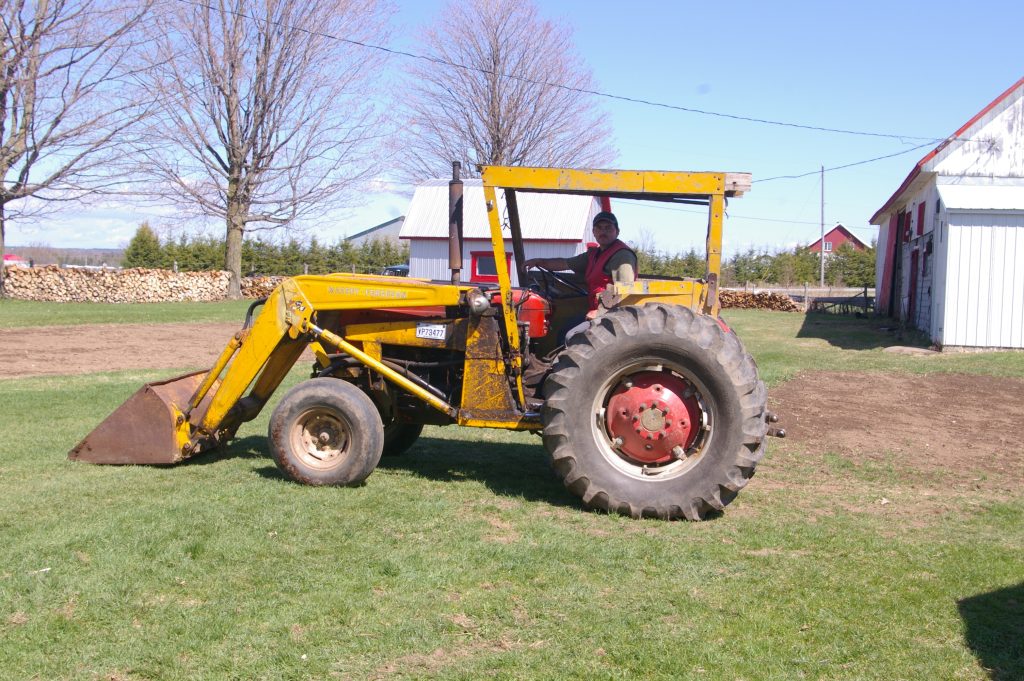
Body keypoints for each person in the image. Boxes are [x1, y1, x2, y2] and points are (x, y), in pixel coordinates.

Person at [524, 211, 637, 316]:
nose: (603, 232)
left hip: (611, 314)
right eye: (599, 228)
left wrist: (600, 311)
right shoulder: (594, 254)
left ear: (617, 232)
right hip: (597, 310)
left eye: (608, 228)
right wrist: (539, 262)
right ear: (593, 232)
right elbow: (565, 263)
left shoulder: (622, 255)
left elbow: (625, 290)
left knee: (568, 334)